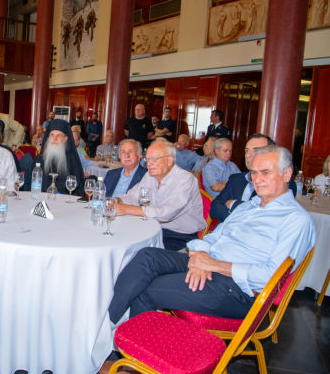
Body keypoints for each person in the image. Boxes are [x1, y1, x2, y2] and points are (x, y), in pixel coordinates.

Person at [108, 145, 315, 324]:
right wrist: (201, 257)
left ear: (287, 174)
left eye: (265, 172)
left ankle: (131, 351)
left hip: (239, 290)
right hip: (211, 264)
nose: (257, 180)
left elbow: (271, 277)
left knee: (147, 288)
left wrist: (214, 265)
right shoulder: (248, 207)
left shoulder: (295, 220)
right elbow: (213, 236)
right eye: (253, 172)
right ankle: (104, 329)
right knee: (148, 256)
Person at [118, 141, 205, 250]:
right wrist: (116, 201)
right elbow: (133, 196)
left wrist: (127, 209)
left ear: (169, 160)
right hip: (152, 228)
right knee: (120, 238)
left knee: (136, 251)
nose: (149, 164)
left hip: (179, 236)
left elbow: (167, 213)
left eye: (154, 159)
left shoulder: (185, 179)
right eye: (147, 159)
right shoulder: (150, 176)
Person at [35, 119, 85, 195]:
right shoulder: (40, 159)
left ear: (65, 138)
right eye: (52, 135)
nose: (54, 139)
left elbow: (77, 187)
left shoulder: (72, 159)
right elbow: (33, 184)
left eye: (58, 135)